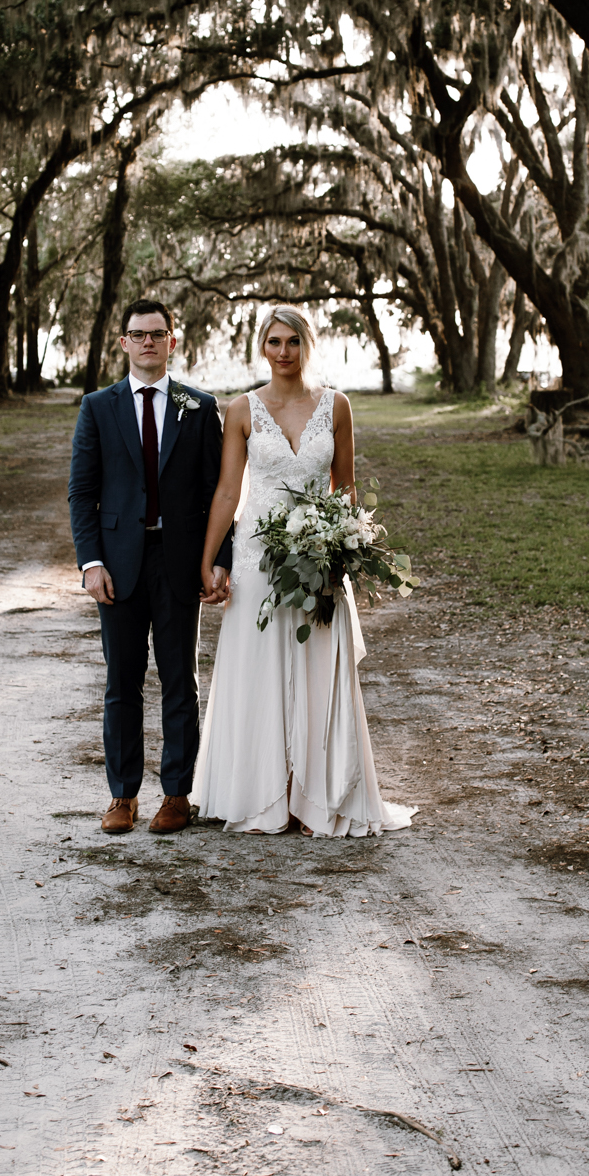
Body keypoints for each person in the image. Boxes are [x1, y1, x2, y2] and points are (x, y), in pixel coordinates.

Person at [191, 304, 412, 837]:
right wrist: (208, 559)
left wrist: (345, 547)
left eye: (292, 342)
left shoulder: (336, 406)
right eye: (274, 343)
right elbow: (227, 490)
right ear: (262, 348)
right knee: (258, 668)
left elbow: (346, 489)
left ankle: (319, 800)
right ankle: (264, 796)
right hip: (256, 557)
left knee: (318, 668)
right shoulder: (242, 409)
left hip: (320, 557)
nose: (283, 352)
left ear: (306, 345)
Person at [68, 299, 232, 835]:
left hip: (180, 561)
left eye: (157, 334)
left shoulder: (199, 407)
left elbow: (219, 493)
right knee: (122, 680)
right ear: (123, 343)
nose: (147, 343)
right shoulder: (97, 406)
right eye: (137, 334)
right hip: (117, 564)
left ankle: (177, 794)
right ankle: (122, 795)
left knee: (180, 679)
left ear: (173, 342)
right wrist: (91, 563)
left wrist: (219, 561)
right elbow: (82, 492)